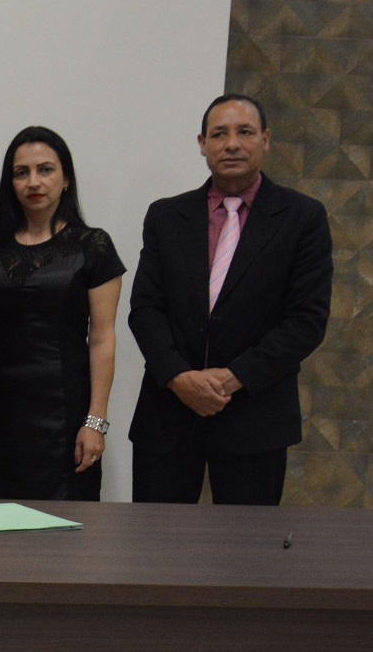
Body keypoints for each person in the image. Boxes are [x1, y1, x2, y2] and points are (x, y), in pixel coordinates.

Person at [128, 95, 332, 505]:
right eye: (219, 134)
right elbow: (146, 309)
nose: (232, 144)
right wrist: (179, 377)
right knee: (152, 552)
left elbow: (306, 321)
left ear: (266, 140)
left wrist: (232, 377)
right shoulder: (166, 216)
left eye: (244, 132)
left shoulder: (302, 217)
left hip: (256, 415)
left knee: (248, 557)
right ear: (202, 143)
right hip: (168, 413)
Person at [0, 127, 125, 501]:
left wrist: (95, 421)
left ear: (66, 178)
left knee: (63, 536)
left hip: (66, 415)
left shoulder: (93, 245)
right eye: (21, 172)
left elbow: (102, 338)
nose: (33, 182)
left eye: (46, 170)